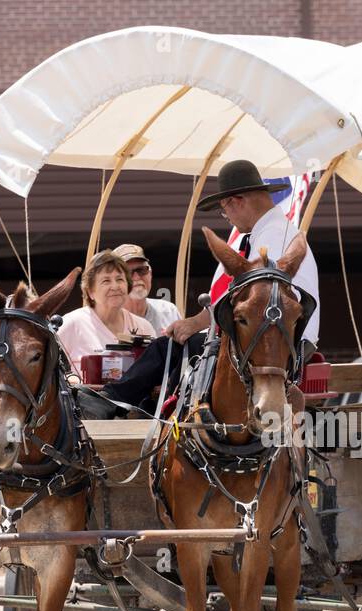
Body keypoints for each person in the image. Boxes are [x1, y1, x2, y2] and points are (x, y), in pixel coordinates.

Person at [78, 159, 320, 419]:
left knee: (167, 348)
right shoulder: (270, 234)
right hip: (269, 339)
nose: (228, 219)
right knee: (177, 355)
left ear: (236, 201)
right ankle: (143, 409)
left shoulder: (273, 237)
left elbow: (253, 303)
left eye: (225, 211)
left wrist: (195, 323)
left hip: (272, 344)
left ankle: (112, 402)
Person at [55, 250, 155, 365]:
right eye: (106, 281)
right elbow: (50, 372)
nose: (115, 286)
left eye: (120, 279)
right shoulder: (71, 324)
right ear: (90, 292)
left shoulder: (143, 327)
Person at [111, 243, 182, 336]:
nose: (136, 277)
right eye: (127, 273)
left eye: (142, 270)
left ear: (150, 274)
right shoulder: (108, 318)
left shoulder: (168, 311)